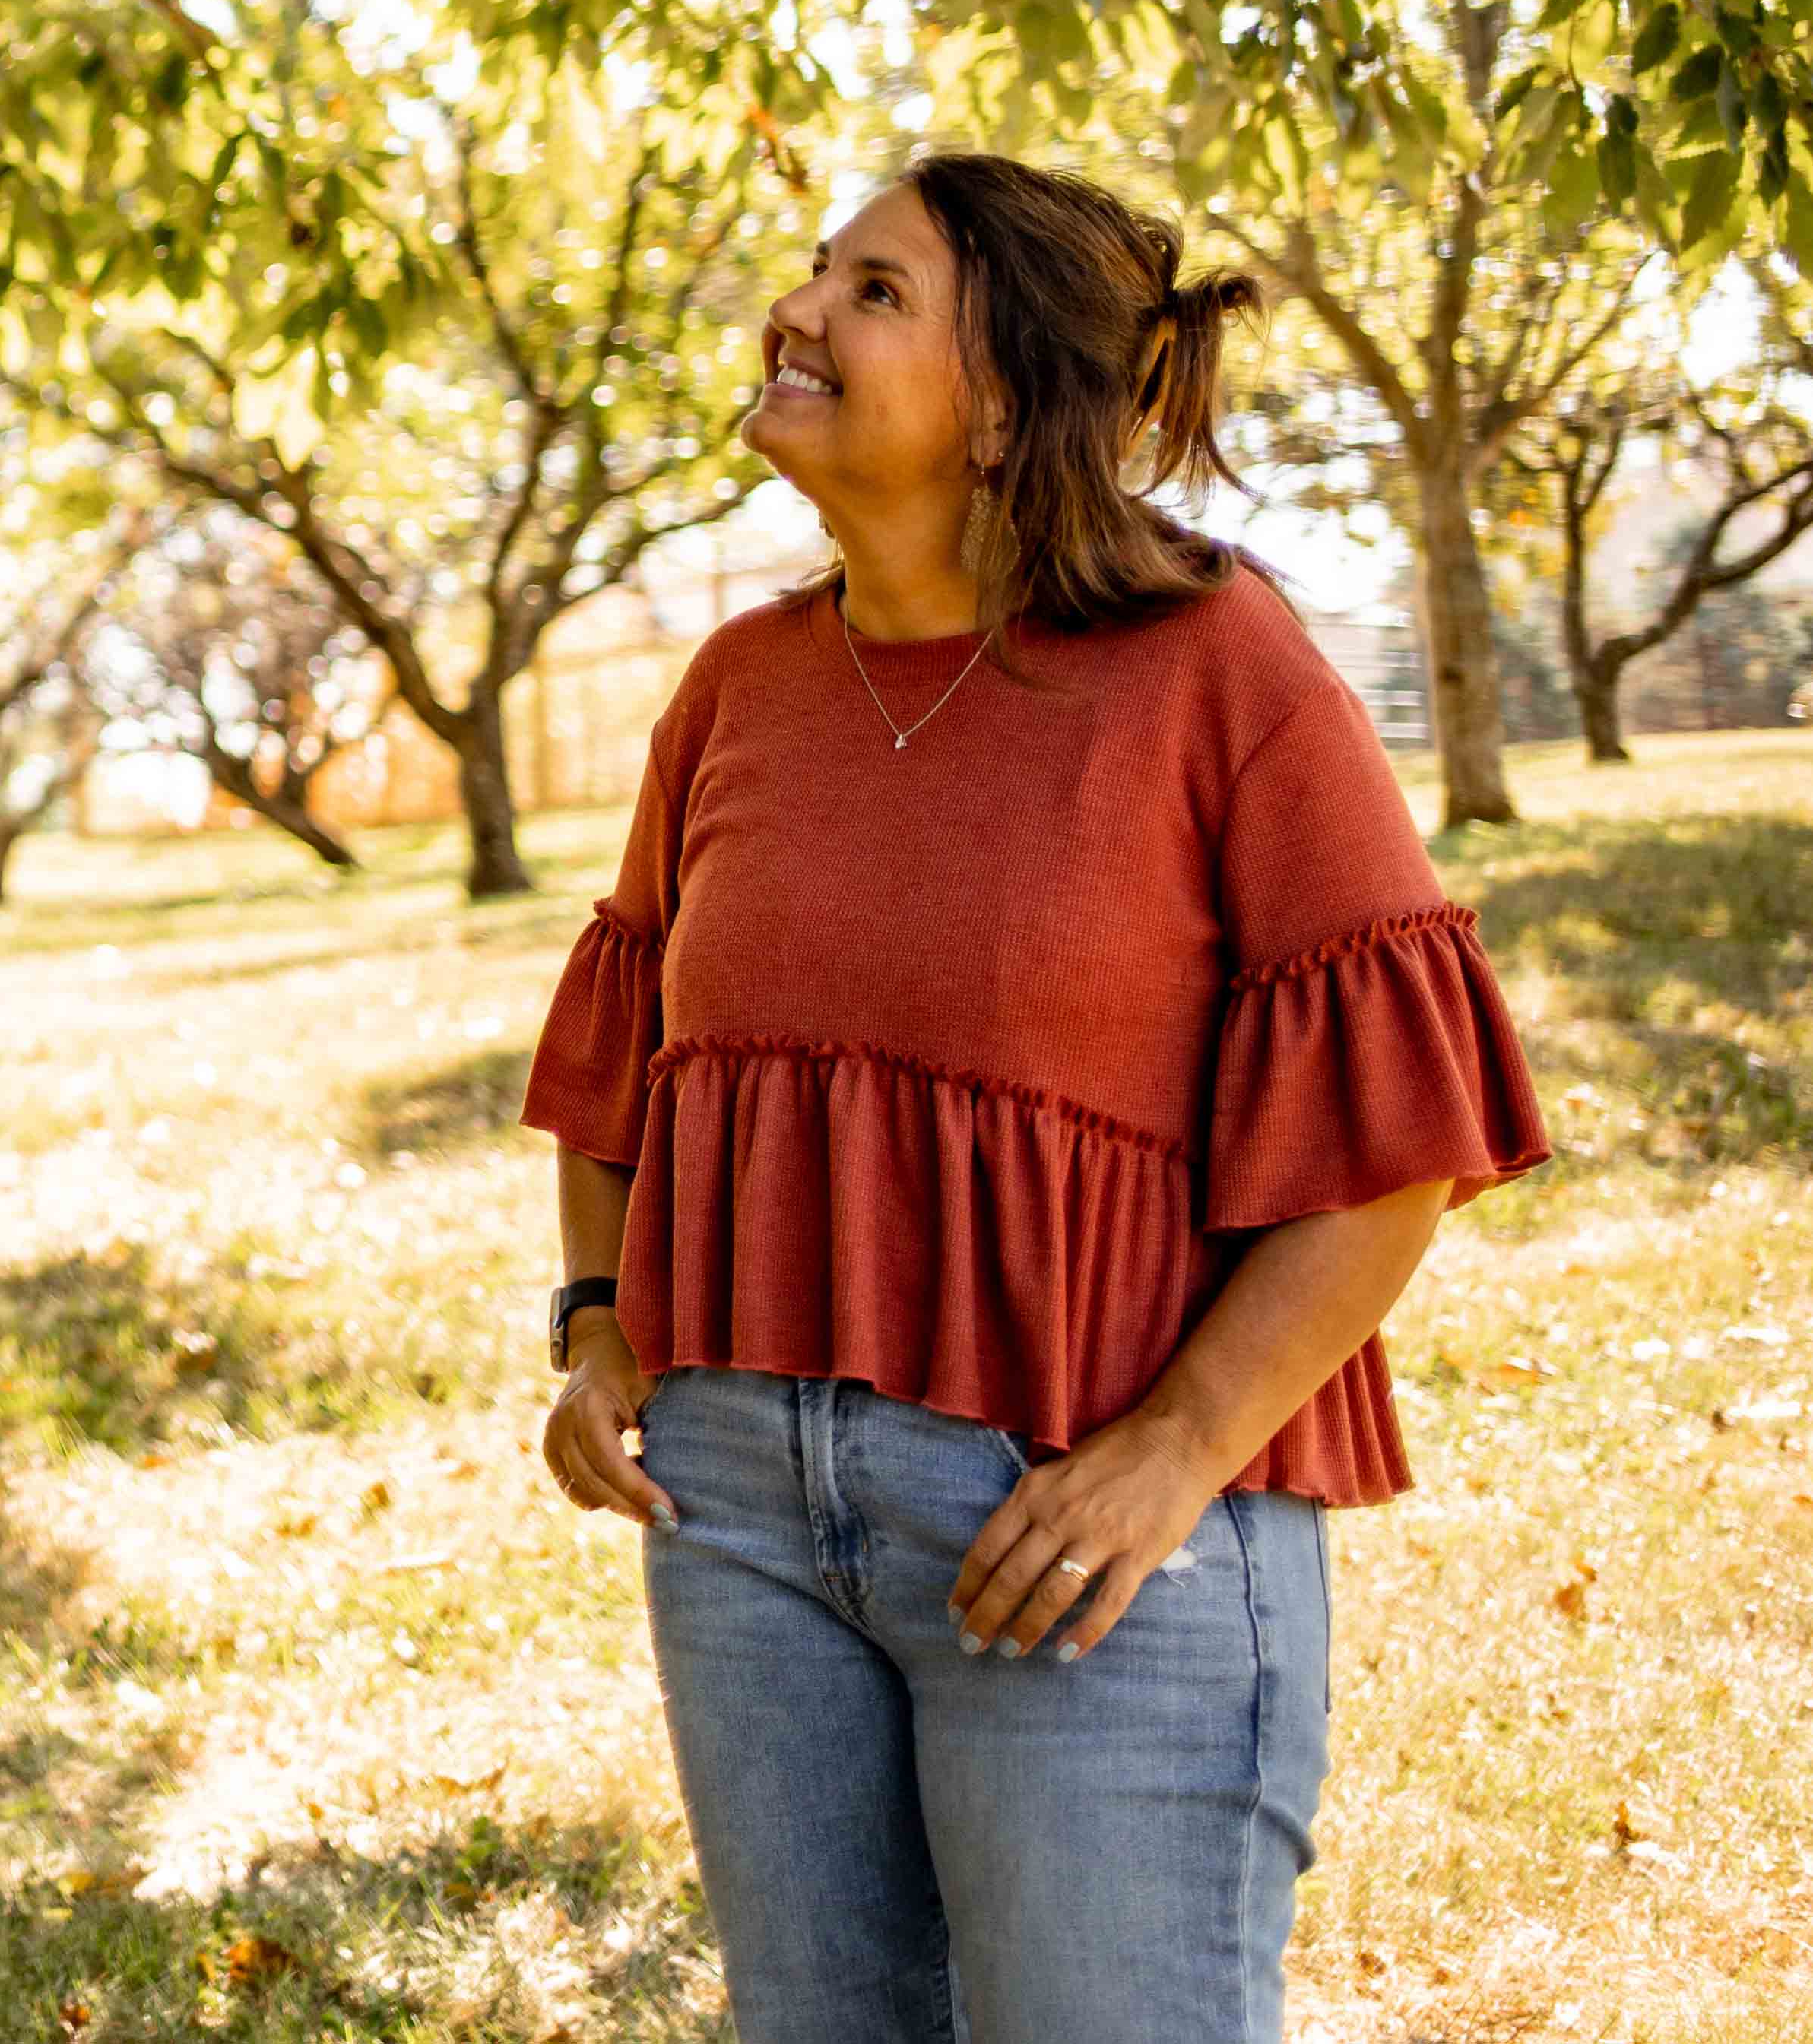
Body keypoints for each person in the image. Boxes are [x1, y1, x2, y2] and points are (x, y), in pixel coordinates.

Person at [521, 150, 1547, 2044]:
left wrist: (1171, 1452)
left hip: (1081, 1536)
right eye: (815, 272)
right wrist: (593, 1327)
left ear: (1000, 410)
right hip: (738, 1522)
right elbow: (621, 1068)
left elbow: (1397, 1139)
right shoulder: (735, 686)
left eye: (873, 291)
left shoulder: (1212, 664)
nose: (798, 311)